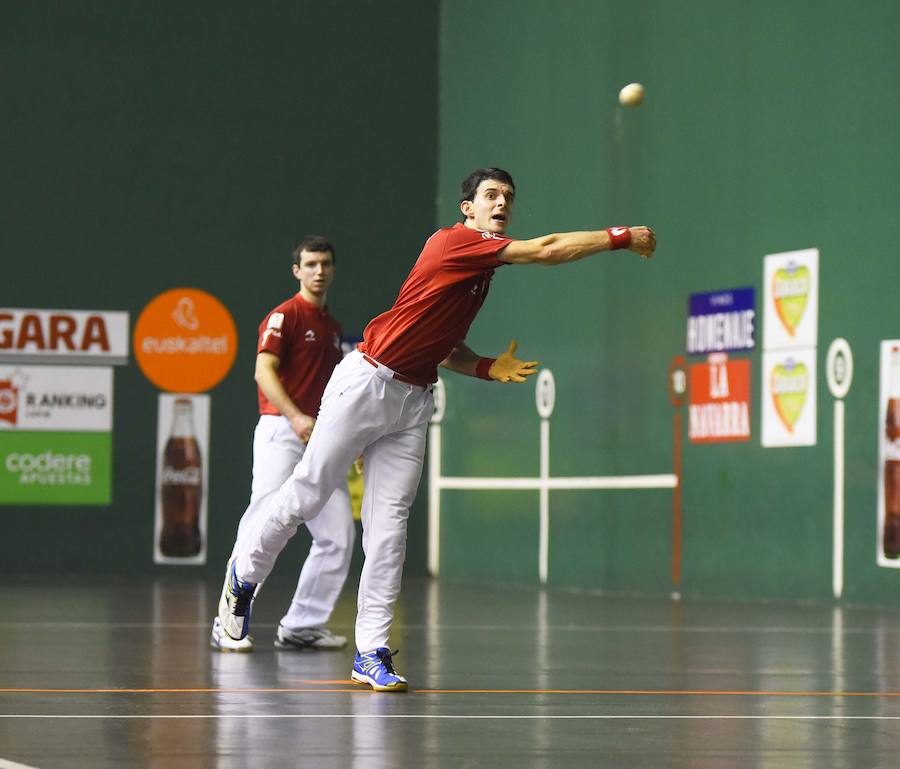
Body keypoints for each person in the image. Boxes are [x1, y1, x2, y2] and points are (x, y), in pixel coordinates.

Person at [217, 168, 656, 689]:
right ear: (466, 208)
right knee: (307, 494)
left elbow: (442, 345)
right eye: (491, 196)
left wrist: (485, 366)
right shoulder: (455, 243)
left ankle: (371, 652)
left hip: (413, 400)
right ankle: (242, 576)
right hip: (367, 384)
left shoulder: (478, 273)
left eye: (508, 198)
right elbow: (546, 250)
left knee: (389, 529)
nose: (502, 204)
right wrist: (620, 238)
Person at [210, 235, 355, 653]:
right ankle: (228, 620)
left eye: (325, 263)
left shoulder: (330, 327)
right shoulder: (284, 316)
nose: (319, 270)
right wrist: (294, 416)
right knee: (261, 521)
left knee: (337, 536)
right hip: (281, 432)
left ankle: (303, 625)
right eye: (310, 264)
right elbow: (263, 372)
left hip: (320, 441)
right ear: (297, 270)